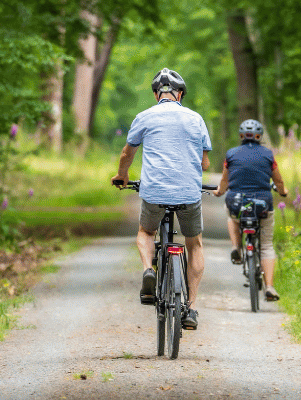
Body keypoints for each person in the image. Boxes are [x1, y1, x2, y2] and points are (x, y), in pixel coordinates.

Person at [111, 68, 212, 330]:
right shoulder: (195, 118)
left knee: (146, 231)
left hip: (154, 191)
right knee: (195, 244)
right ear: (180, 94)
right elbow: (205, 162)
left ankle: (148, 270)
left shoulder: (144, 117)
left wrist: (122, 176)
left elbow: (126, 154)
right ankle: (190, 307)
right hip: (189, 192)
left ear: (157, 94)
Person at [212, 119, 289, 301]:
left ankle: (236, 247)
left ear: (241, 136)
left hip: (237, 203)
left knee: (231, 215)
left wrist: (220, 191)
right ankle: (269, 287)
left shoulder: (231, 154)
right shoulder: (268, 155)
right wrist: (283, 191)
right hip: (262, 204)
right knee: (267, 246)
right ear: (259, 136)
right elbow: (278, 181)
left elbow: (224, 181)